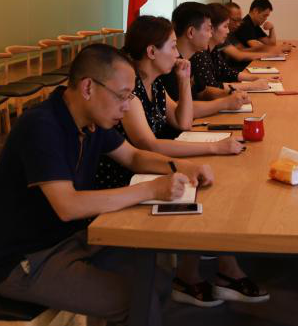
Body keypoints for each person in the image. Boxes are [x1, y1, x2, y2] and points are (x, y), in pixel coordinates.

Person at [0, 43, 213, 325]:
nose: (126, 106)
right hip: (26, 260)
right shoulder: (41, 126)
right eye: (122, 96)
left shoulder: (90, 120)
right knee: (138, 298)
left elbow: (134, 157)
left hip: (71, 240)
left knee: (158, 280)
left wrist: (183, 166)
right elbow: (68, 205)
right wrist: (151, 189)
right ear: (88, 87)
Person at [95, 16, 267, 307]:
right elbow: (147, 145)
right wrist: (213, 148)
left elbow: (183, 121)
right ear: (152, 52)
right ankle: (198, 274)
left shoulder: (155, 84)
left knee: (212, 183)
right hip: (129, 177)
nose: (177, 54)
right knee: (207, 189)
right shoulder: (131, 91)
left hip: (149, 167)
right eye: (172, 47)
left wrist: (184, 81)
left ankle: (217, 270)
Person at [160, 1, 249, 118]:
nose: (210, 35)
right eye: (208, 29)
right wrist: (225, 103)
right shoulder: (169, 65)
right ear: (191, 32)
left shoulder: (191, 58)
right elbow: (180, 109)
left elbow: (202, 92)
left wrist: (229, 93)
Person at [192, 3, 282, 92]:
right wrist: (252, 85)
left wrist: (258, 78)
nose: (228, 31)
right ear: (211, 28)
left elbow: (227, 72)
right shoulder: (200, 53)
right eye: (225, 26)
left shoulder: (213, 49)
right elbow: (211, 87)